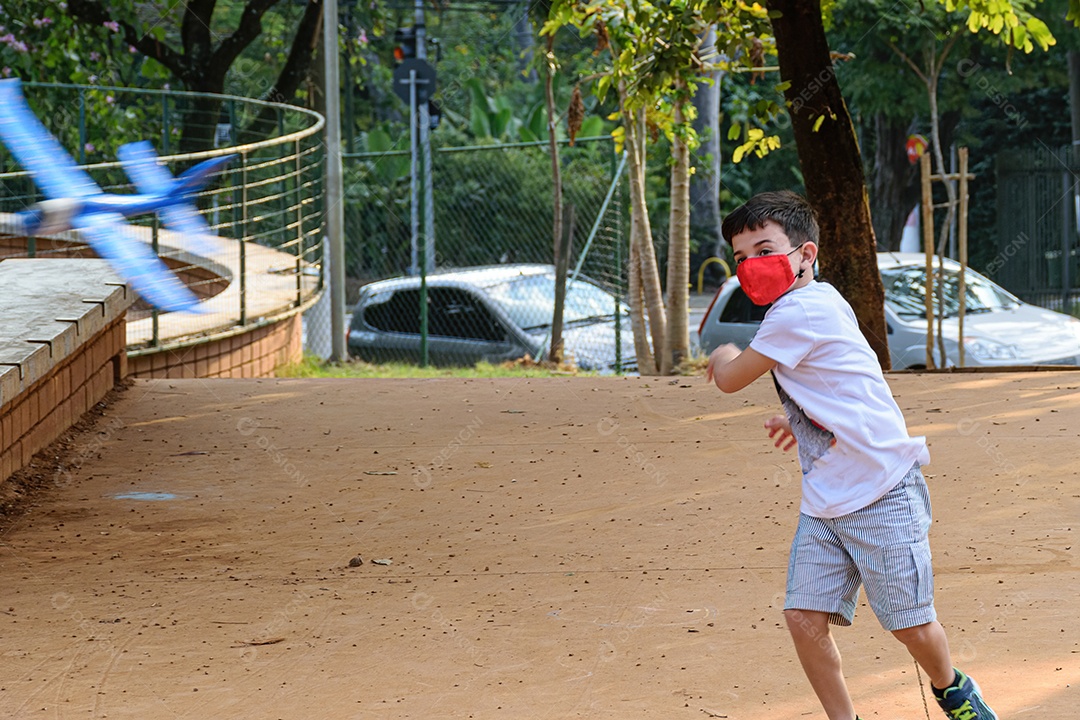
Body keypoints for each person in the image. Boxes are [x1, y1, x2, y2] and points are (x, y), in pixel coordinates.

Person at [705, 191, 997, 720]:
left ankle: (952, 688)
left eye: (765, 249)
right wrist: (800, 418)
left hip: (882, 488)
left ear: (805, 254)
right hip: (826, 498)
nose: (751, 266)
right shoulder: (818, 302)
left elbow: (729, 380)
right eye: (742, 257)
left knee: (909, 624)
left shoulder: (798, 312)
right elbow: (837, 378)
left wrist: (722, 353)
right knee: (802, 617)